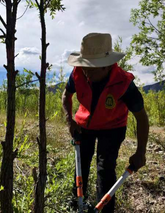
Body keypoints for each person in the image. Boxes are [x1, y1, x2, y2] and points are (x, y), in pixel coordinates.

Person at [62, 33, 149, 212]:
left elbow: (141, 117)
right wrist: (70, 120)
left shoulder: (124, 83)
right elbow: (66, 95)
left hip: (113, 127)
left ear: (108, 66)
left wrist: (140, 152)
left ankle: (104, 209)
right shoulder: (78, 73)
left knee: (105, 168)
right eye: (85, 66)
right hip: (83, 124)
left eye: (92, 68)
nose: (87, 71)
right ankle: (75, 205)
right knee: (81, 163)